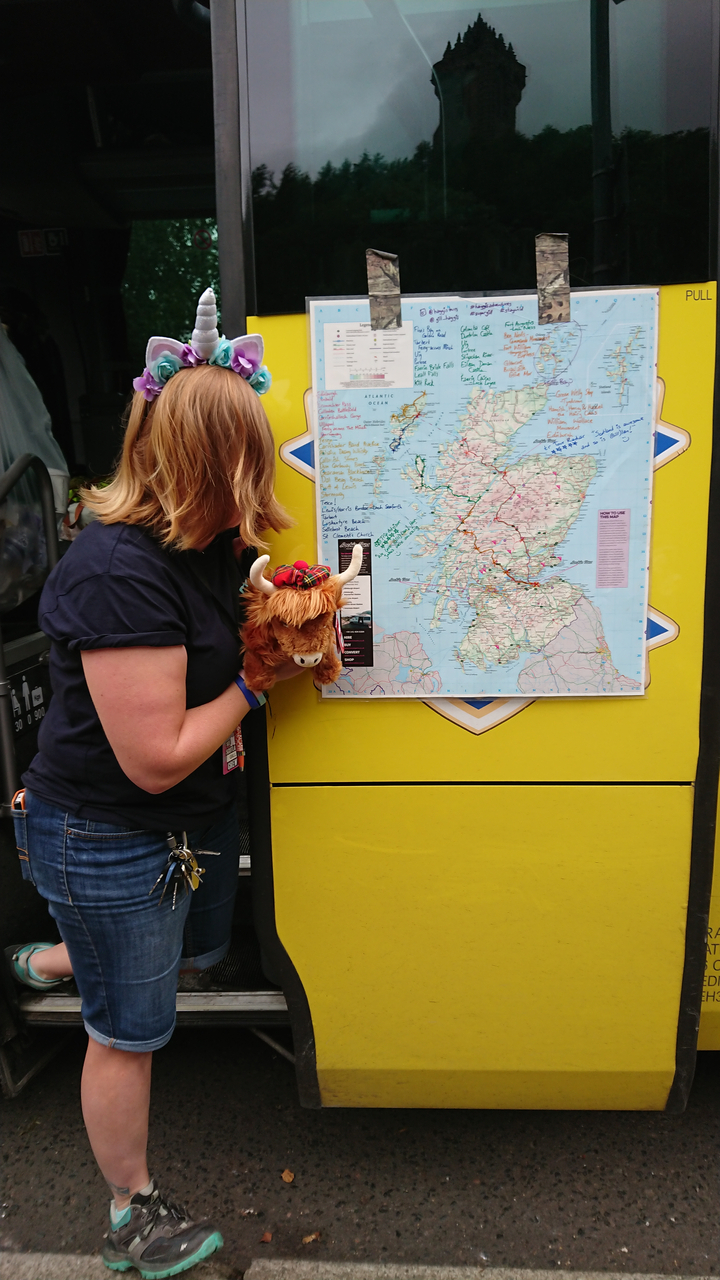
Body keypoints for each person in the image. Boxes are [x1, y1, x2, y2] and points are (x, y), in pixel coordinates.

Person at [7, 290, 299, 1278]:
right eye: (252, 458)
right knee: (129, 1028)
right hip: (108, 833)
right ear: (209, 465)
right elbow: (160, 751)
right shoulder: (116, 571)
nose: (264, 474)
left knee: (160, 955)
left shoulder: (202, 548)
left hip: (161, 832)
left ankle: (47, 961)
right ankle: (130, 1214)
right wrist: (259, 683)